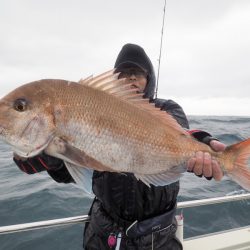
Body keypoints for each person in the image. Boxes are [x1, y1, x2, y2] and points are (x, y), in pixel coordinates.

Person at [13, 43, 225, 250]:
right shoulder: (95, 109)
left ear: (149, 79)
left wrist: (204, 143)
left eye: (137, 73)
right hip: (103, 234)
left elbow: (182, 133)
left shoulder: (166, 108)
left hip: (157, 238)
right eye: (124, 72)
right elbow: (73, 171)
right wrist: (47, 157)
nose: (131, 77)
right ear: (115, 79)